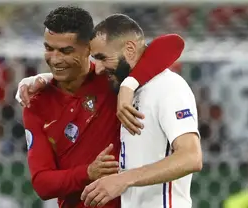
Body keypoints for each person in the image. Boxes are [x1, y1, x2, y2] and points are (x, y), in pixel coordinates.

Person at [20, 6, 184, 208]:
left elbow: (172, 44)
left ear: (89, 49)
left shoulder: (109, 79)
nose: (55, 59)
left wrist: (128, 85)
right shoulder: (36, 103)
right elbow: (42, 184)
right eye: (48, 48)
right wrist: (88, 173)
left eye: (65, 51)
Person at [80, 14, 202, 208]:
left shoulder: (168, 87)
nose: (99, 69)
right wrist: (40, 80)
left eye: (102, 58)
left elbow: (191, 157)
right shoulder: (126, 89)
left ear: (129, 49)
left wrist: (123, 179)